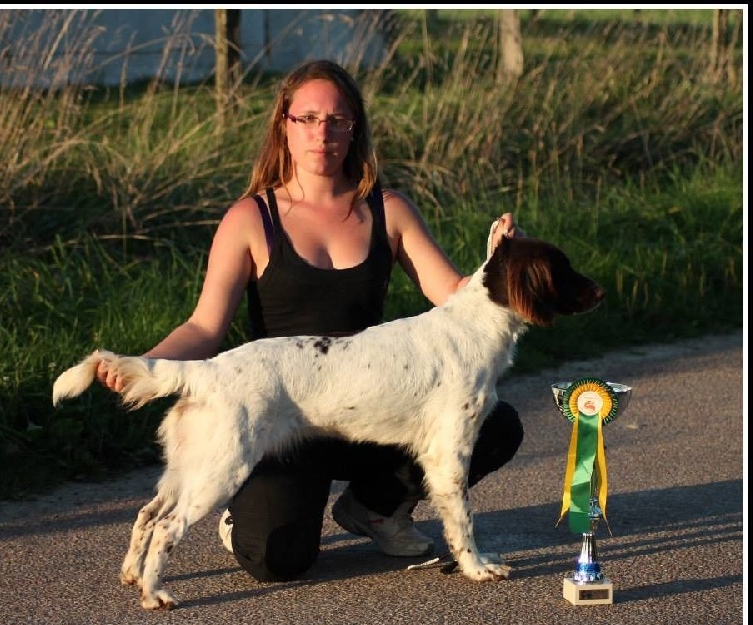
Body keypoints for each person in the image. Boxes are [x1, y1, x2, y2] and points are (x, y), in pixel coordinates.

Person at [96, 59, 524, 583]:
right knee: (279, 560)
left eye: (337, 121)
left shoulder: (389, 210)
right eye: (308, 118)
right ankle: (241, 513)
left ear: (354, 129)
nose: (323, 133)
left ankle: (375, 507)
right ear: (284, 125)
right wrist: (150, 363)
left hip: (370, 405)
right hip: (282, 411)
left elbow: (455, 299)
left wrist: (497, 261)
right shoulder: (250, 218)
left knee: (495, 422)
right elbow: (206, 327)